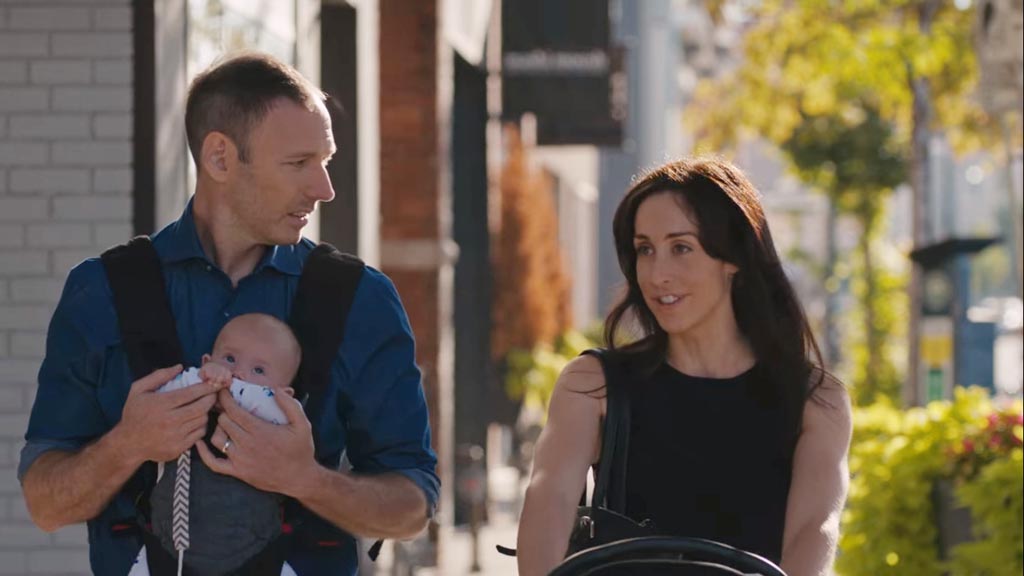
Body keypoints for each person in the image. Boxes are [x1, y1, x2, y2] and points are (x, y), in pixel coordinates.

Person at [19, 52, 438, 576]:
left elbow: (413, 504)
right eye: (299, 163)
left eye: (325, 160)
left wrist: (303, 477)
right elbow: (44, 502)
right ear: (219, 158)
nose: (324, 188)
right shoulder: (100, 290)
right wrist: (128, 445)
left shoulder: (363, 298)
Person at [516, 157, 852, 576]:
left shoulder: (816, 401)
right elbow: (549, 501)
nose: (658, 274)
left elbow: (814, 530)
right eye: (645, 250)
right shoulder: (593, 385)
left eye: (681, 248)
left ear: (734, 258)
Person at [132, 313, 303, 576]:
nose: (238, 373)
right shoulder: (186, 397)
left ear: (286, 393)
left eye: (258, 370)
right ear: (206, 362)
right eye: (230, 359)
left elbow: (273, 405)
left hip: (257, 553)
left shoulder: (279, 417)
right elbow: (158, 401)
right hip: (171, 550)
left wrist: (229, 389)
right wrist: (201, 379)